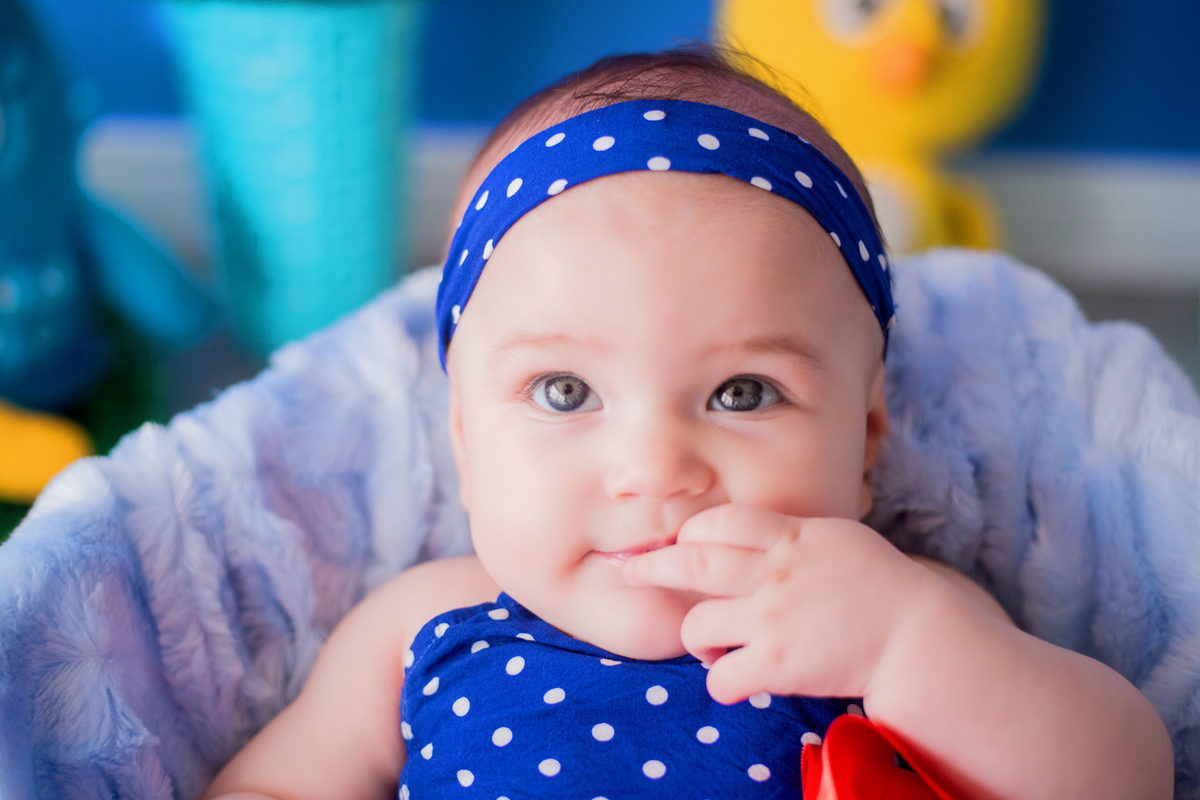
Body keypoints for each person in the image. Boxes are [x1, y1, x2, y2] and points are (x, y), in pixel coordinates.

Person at [202, 48, 1173, 800]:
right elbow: (273, 780)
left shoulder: (886, 610)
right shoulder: (422, 623)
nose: (655, 468)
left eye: (743, 393)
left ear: (866, 436)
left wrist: (903, 644)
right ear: (462, 434)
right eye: (564, 391)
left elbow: (1118, 773)